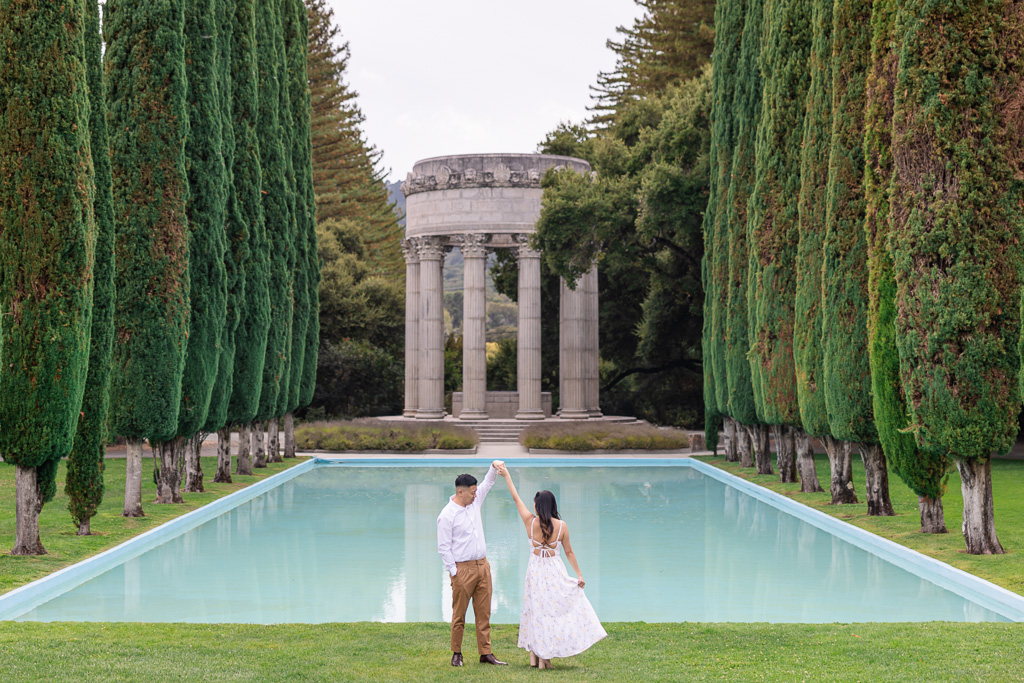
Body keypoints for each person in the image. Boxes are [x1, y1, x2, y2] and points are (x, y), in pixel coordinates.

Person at [496, 463, 607, 669]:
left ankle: (537, 657)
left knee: (536, 610)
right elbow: (569, 552)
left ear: (539, 506)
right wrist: (579, 575)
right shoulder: (562, 526)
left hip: (536, 571)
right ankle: (542, 658)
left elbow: (515, 498)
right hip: (555, 571)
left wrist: (507, 475)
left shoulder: (530, 521)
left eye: (535, 504)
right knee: (552, 612)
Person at [436, 460, 508, 667]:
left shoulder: (474, 502)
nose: (476, 495)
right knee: (459, 615)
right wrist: (454, 572)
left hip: (483, 567)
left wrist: (494, 466)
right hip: (462, 570)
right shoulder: (446, 516)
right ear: (460, 492)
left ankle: (486, 653)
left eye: (476, 492)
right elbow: (443, 548)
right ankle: (456, 653)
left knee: (484, 612)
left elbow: (488, 482)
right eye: (472, 492)